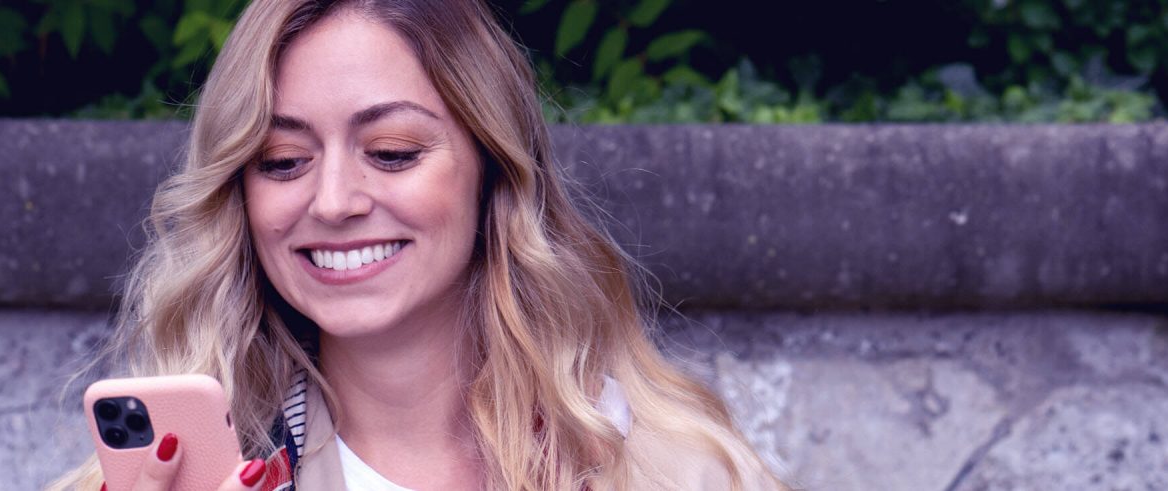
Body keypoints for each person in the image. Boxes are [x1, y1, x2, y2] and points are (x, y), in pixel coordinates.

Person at [48, 0, 783, 489]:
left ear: (492, 170)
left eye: (392, 152)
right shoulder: (164, 484)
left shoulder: (677, 472)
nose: (333, 201)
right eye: (282, 161)